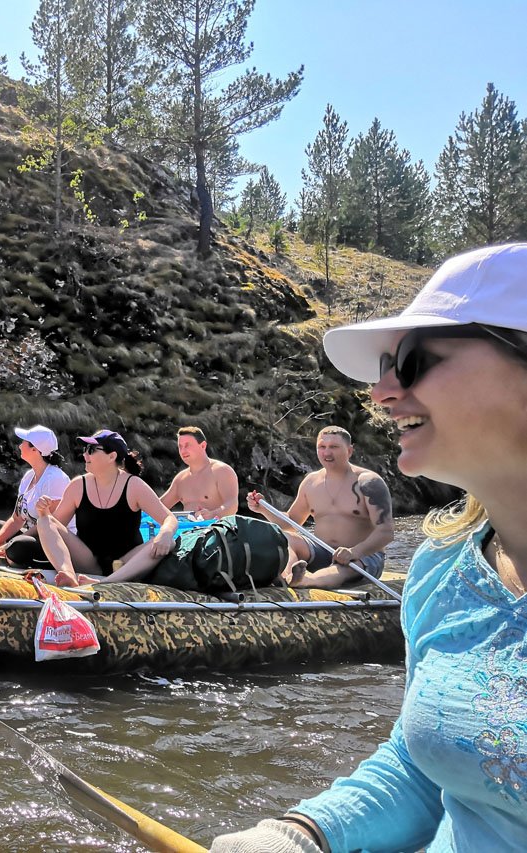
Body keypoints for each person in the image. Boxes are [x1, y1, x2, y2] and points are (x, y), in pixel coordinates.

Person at [212, 242, 527, 852]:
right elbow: (425, 765)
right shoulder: (440, 569)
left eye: (411, 360)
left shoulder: (370, 486)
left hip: (359, 566)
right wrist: (303, 832)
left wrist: (349, 560)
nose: (381, 391)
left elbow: (380, 533)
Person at [246, 425, 394, 589]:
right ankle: (288, 577)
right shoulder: (311, 482)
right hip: (322, 551)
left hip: (362, 557)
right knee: (286, 538)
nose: (327, 453)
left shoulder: (369, 482)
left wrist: (355, 552)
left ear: (349, 450)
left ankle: (308, 581)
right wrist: (262, 509)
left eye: (334, 447)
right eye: (322, 447)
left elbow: (386, 531)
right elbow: (291, 524)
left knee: (351, 565)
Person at [34, 429, 177, 586]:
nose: (85, 455)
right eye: (85, 450)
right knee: (44, 521)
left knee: (169, 542)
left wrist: (165, 532)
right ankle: (68, 574)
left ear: (112, 456)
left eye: (91, 450)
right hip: (89, 562)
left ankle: (105, 583)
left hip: (124, 564)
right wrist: (44, 512)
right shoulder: (77, 485)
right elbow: (55, 527)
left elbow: (169, 518)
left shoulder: (134, 485)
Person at [0, 425, 72, 568]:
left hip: (53, 543)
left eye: (24, 442)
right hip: (30, 536)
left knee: (17, 546)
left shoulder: (56, 478)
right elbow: (16, 519)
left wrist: (7, 545)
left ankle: (7, 555)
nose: (20, 445)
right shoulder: (29, 476)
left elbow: (49, 525)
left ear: (35, 449)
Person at [159, 426, 240, 519]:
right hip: (188, 532)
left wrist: (213, 514)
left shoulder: (221, 471)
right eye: (180, 447)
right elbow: (158, 507)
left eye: (187, 445)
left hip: (216, 530)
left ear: (203, 445)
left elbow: (232, 505)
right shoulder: (180, 479)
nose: (183, 451)